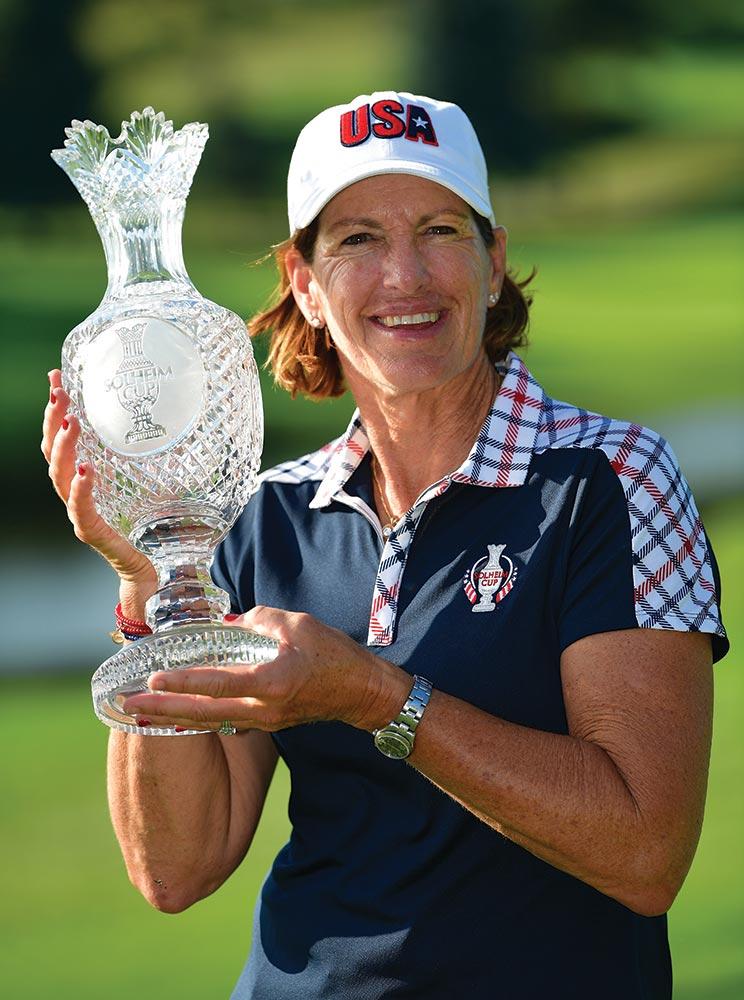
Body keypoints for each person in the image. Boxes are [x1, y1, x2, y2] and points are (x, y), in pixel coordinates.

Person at [43, 92, 728, 999]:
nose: (405, 276)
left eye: (441, 229)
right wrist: (146, 594)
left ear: (494, 262)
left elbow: (645, 851)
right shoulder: (264, 517)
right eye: (358, 240)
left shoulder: (611, 482)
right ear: (305, 283)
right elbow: (177, 868)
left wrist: (375, 696)